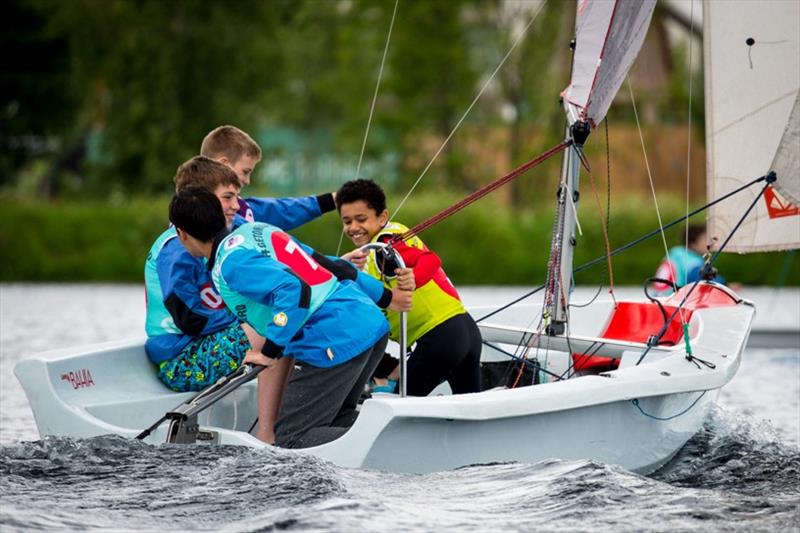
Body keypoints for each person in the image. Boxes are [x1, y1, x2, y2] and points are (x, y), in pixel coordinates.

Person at [168, 186, 413, 448]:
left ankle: (402, 445)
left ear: (182, 234)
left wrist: (268, 352)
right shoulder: (257, 230)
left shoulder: (231, 263)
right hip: (369, 325)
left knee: (290, 439)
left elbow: (294, 290)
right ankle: (393, 442)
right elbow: (331, 264)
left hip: (338, 337)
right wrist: (388, 298)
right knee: (336, 418)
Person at [144, 156, 340, 443]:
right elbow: (189, 319)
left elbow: (291, 255)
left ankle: (305, 409)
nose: (237, 205)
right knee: (271, 324)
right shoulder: (177, 248)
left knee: (283, 316)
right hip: (181, 358)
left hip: (209, 342)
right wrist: (245, 316)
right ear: (202, 200)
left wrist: (336, 268)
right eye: (228, 197)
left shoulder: (228, 237)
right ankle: (267, 434)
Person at [336, 178, 482, 397]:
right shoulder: (369, 254)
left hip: (441, 338)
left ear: (382, 217)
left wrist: (414, 278)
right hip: (466, 331)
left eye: (361, 219)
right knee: (470, 410)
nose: (354, 227)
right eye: (347, 221)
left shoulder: (384, 246)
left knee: (400, 408)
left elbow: (430, 259)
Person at [653, 224, 726, 292]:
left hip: (658, 297)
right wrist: (725, 285)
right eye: (706, 240)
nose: (711, 243)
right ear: (693, 243)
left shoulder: (675, 252)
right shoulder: (693, 260)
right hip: (674, 300)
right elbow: (702, 278)